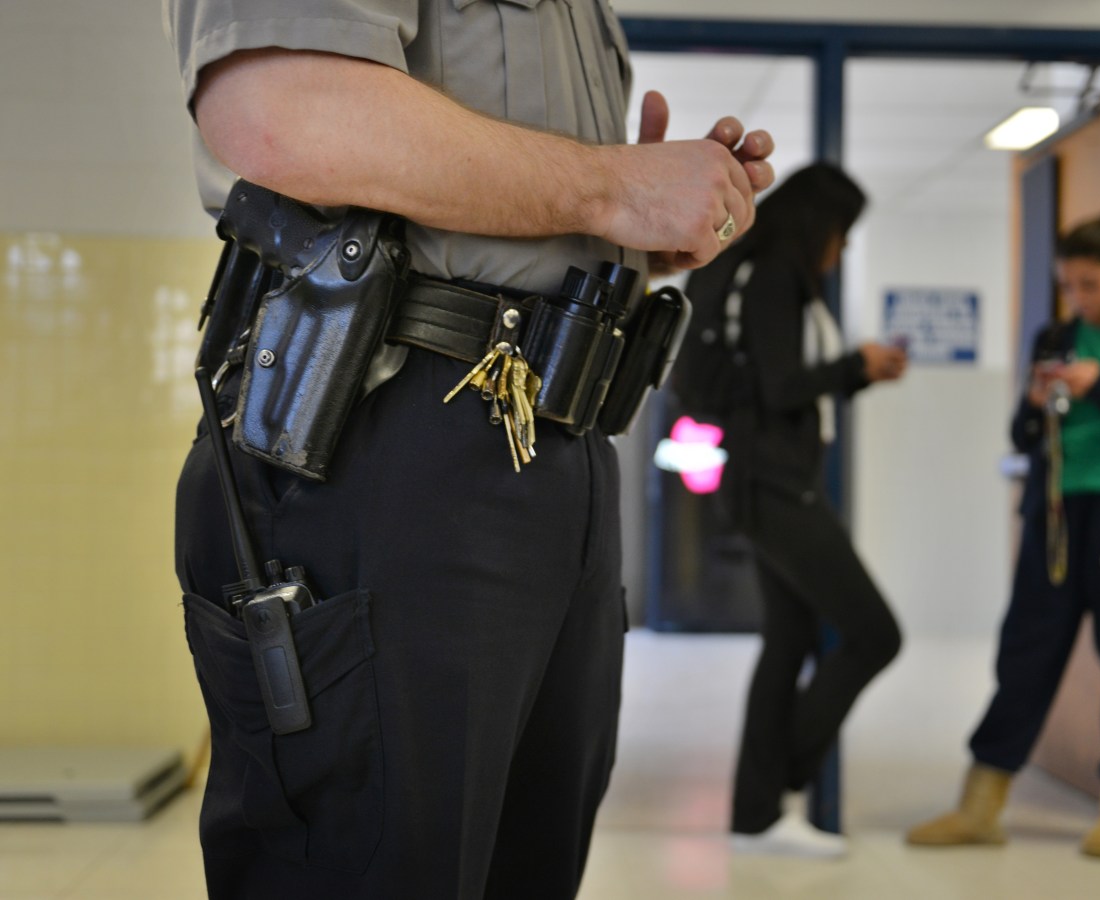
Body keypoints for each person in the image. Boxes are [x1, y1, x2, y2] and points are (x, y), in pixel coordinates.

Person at [162, 2, 775, 897]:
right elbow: (281, 112)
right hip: (379, 428)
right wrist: (614, 186)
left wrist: (627, 235)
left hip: (555, 438)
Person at [906, 213, 1100, 858]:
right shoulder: (1056, 336)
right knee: (1024, 655)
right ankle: (981, 803)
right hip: (1058, 515)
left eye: (1090, 284)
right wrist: (1036, 406)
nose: (1079, 298)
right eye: (1069, 285)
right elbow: (1022, 437)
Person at [683, 163, 906, 854]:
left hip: (771, 480)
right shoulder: (778, 274)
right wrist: (856, 368)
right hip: (774, 486)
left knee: (790, 637)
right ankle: (779, 780)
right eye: (840, 234)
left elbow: (774, 384)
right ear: (819, 225)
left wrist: (854, 377)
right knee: (874, 634)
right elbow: (782, 387)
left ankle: (757, 816)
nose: (839, 250)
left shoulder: (769, 272)